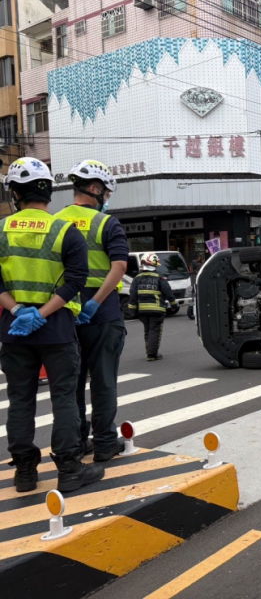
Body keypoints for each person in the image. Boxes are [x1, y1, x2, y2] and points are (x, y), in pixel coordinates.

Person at [0, 158, 104, 493]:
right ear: (48, 191)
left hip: (14, 330)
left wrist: (18, 310)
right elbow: (75, 281)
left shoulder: (1, 230)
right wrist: (42, 314)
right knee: (63, 397)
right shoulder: (64, 231)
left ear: (15, 193)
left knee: (20, 399)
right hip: (56, 329)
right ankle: (70, 470)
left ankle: (25, 472)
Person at [55, 160, 129, 462]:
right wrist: (97, 301)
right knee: (103, 380)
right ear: (95, 189)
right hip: (102, 314)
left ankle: (77, 440)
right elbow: (120, 266)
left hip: (65, 313)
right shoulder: (106, 223)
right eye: (106, 193)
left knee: (72, 383)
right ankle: (104, 442)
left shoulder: (56, 221)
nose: (107, 199)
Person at [128, 253, 178, 361]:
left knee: (147, 330)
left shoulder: (137, 278)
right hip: (156, 309)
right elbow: (168, 292)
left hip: (142, 311)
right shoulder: (160, 277)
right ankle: (152, 354)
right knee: (155, 331)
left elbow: (133, 295)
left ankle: (149, 351)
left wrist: (132, 310)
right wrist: (174, 305)